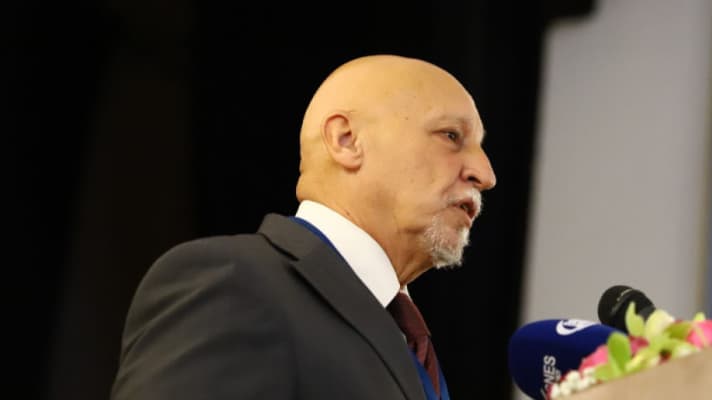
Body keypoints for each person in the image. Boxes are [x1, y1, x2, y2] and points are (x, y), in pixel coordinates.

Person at [110, 54, 496, 400]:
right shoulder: (235, 284)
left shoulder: (405, 339)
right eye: (451, 136)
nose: (485, 174)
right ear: (346, 140)